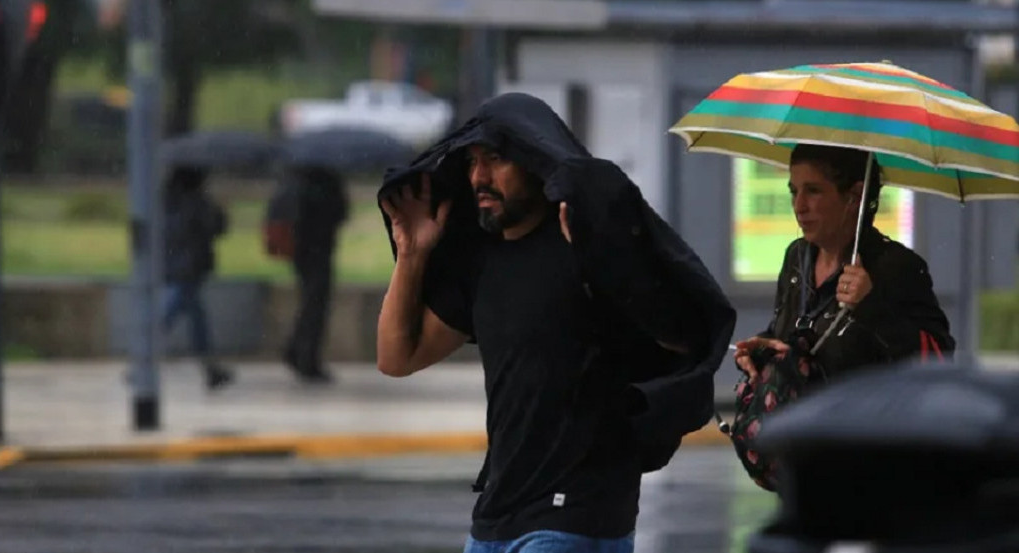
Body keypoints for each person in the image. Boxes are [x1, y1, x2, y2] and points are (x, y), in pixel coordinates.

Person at [376, 93, 736, 552]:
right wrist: (412, 252)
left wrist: (605, 262)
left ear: (534, 161)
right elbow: (396, 357)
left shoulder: (587, 243)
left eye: (496, 160)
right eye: (472, 162)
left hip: (576, 516)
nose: (479, 177)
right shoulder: (484, 263)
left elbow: (679, 335)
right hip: (494, 518)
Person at [734, 144, 954, 383]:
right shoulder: (796, 257)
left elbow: (938, 360)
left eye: (813, 191)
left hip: (858, 418)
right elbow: (788, 337)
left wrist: (870, 306)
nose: (799, 206)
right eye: (793, 192)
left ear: (854, 197)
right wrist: (760, 352)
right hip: (796, 418)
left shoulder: (895, 266)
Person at [162, 167, 232, 390]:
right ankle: (142, 360)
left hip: (171, 264)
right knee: (170, 313)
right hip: (191, 267)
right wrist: (221, 210)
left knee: (197, 319)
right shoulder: (198, 202)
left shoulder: (165, 201)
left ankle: (211, 368)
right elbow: (216, 227)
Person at [281, 166, 349, 383]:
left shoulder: (295, 181)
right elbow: (340, 213)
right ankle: (305, 357)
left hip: (302, 251)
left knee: (310, 303)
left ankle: (296, 350)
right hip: (319, 251)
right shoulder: (327, 185)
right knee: (315, 306)